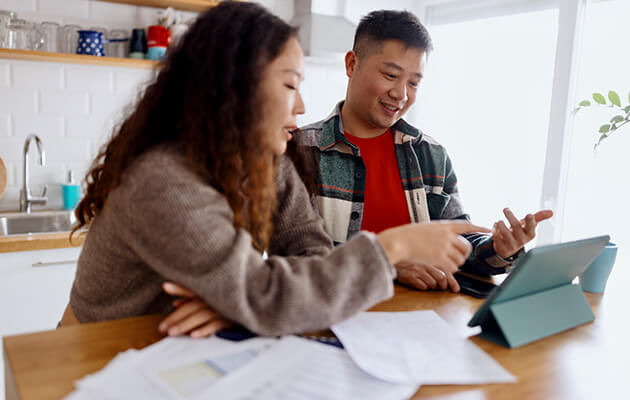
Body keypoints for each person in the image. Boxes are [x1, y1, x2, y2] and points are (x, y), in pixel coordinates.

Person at [63, 2, 488, 337]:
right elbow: (262, 294)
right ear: (236, 87)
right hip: (96, 352)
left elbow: (311, 257)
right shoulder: (163, 180)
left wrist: (239, 306)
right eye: (289, 85)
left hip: (182, 350)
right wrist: (391, 249)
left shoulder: (270, 164)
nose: (301, 106)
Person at [292, 9, 553, 293]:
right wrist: (389, 264)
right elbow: (296, 255)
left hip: (421, 319)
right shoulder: (299, 150)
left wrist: (500, 248)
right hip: (330, 315)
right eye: (391, 75)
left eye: (414, 82)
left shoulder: (431, 154)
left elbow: (458, 244)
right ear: (352, 64)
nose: (401, 94)